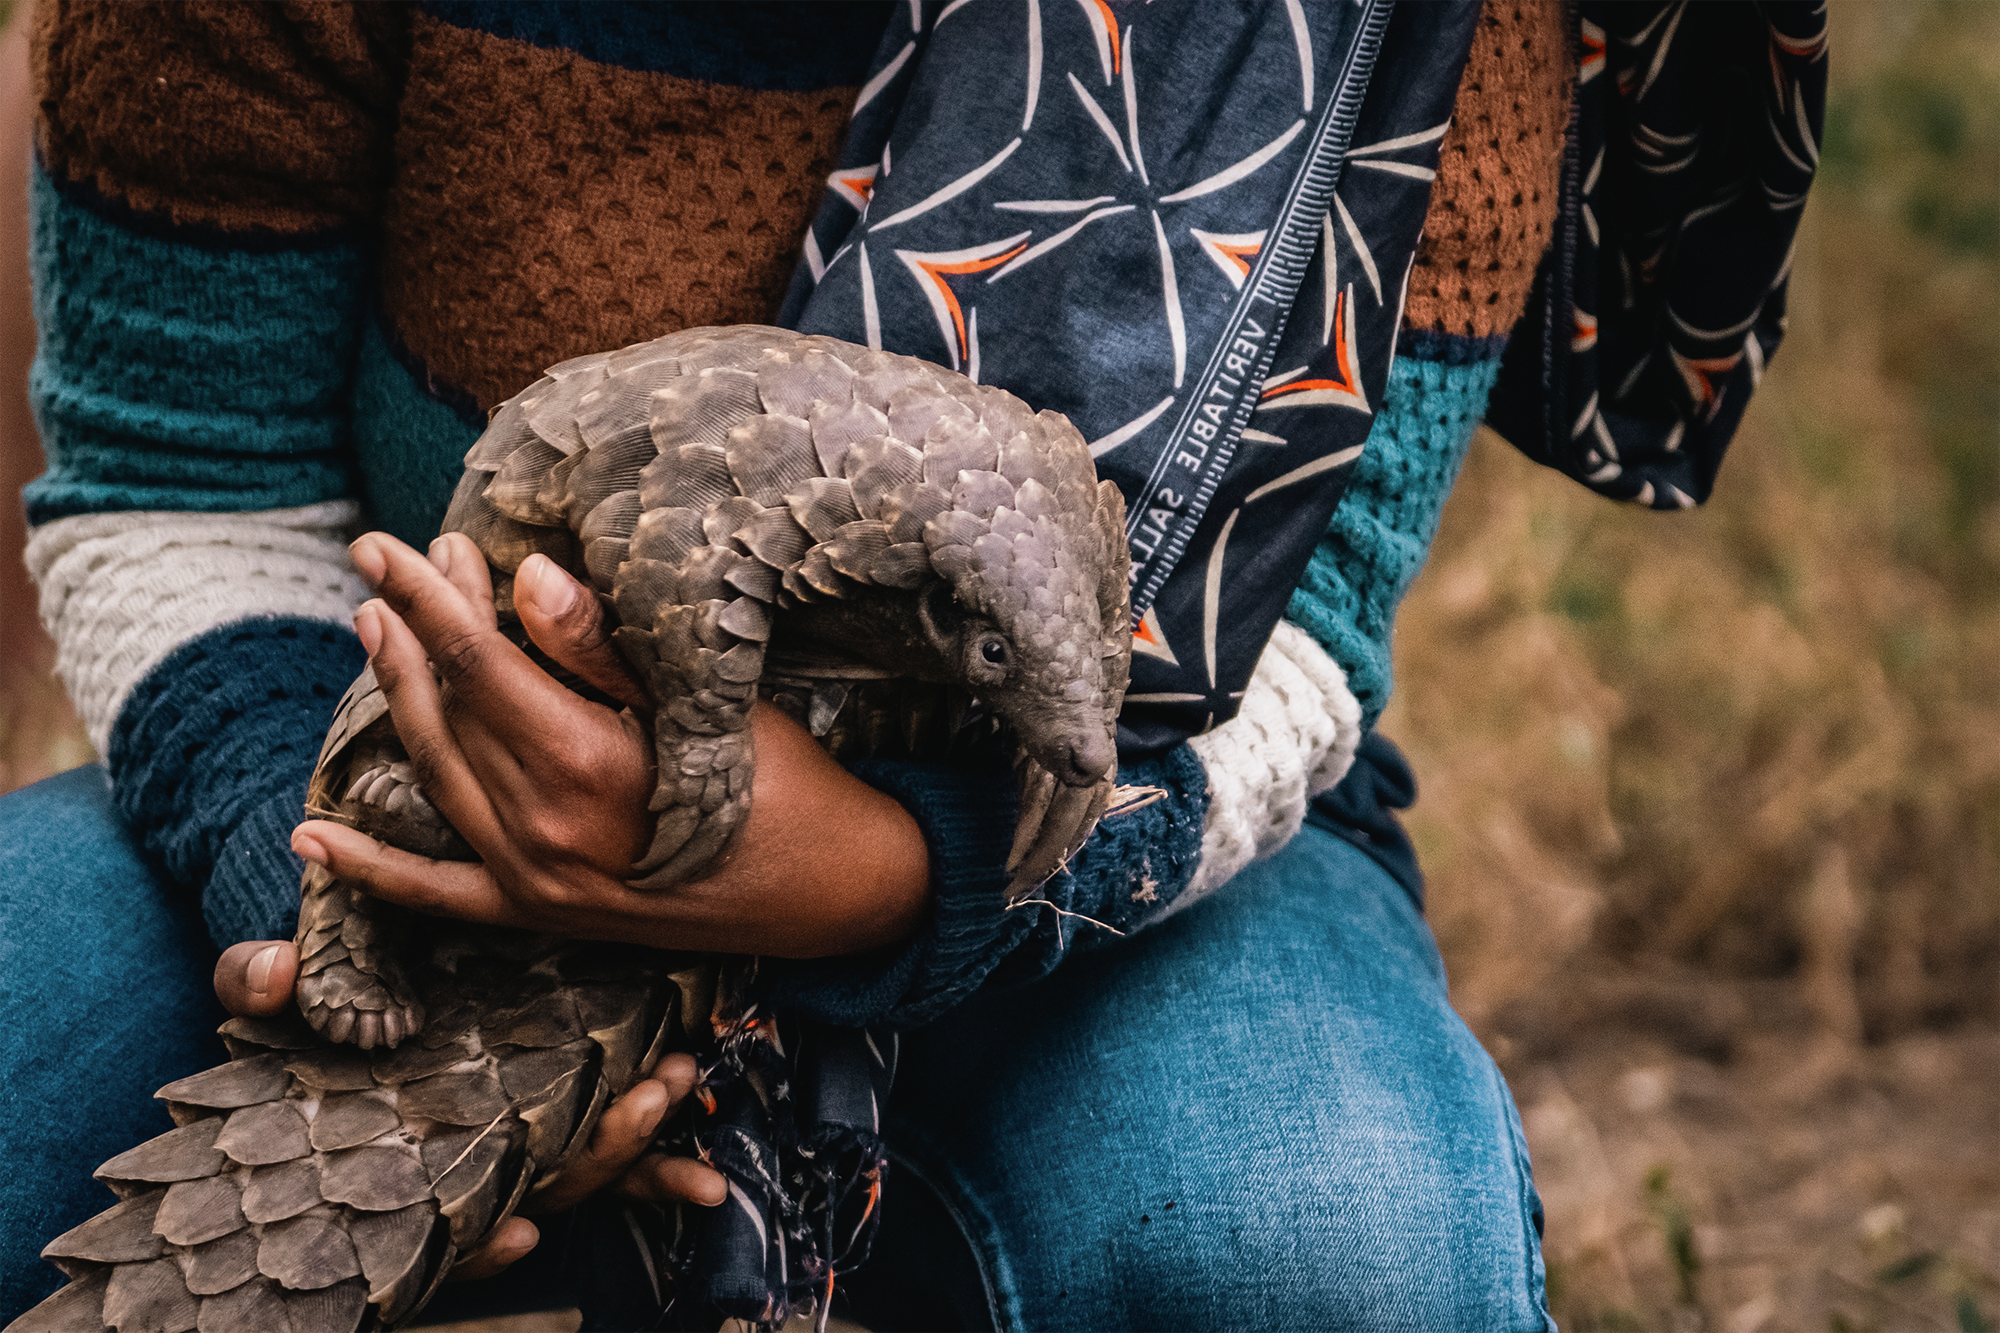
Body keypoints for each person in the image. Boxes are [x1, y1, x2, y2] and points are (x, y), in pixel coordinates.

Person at [2, 0, 1820, 1326]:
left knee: (1313, 1241)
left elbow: (1304, 644)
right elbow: (176, 475)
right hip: (383, 766)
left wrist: (891, 875)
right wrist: (351, 906)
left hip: (1105, 824)